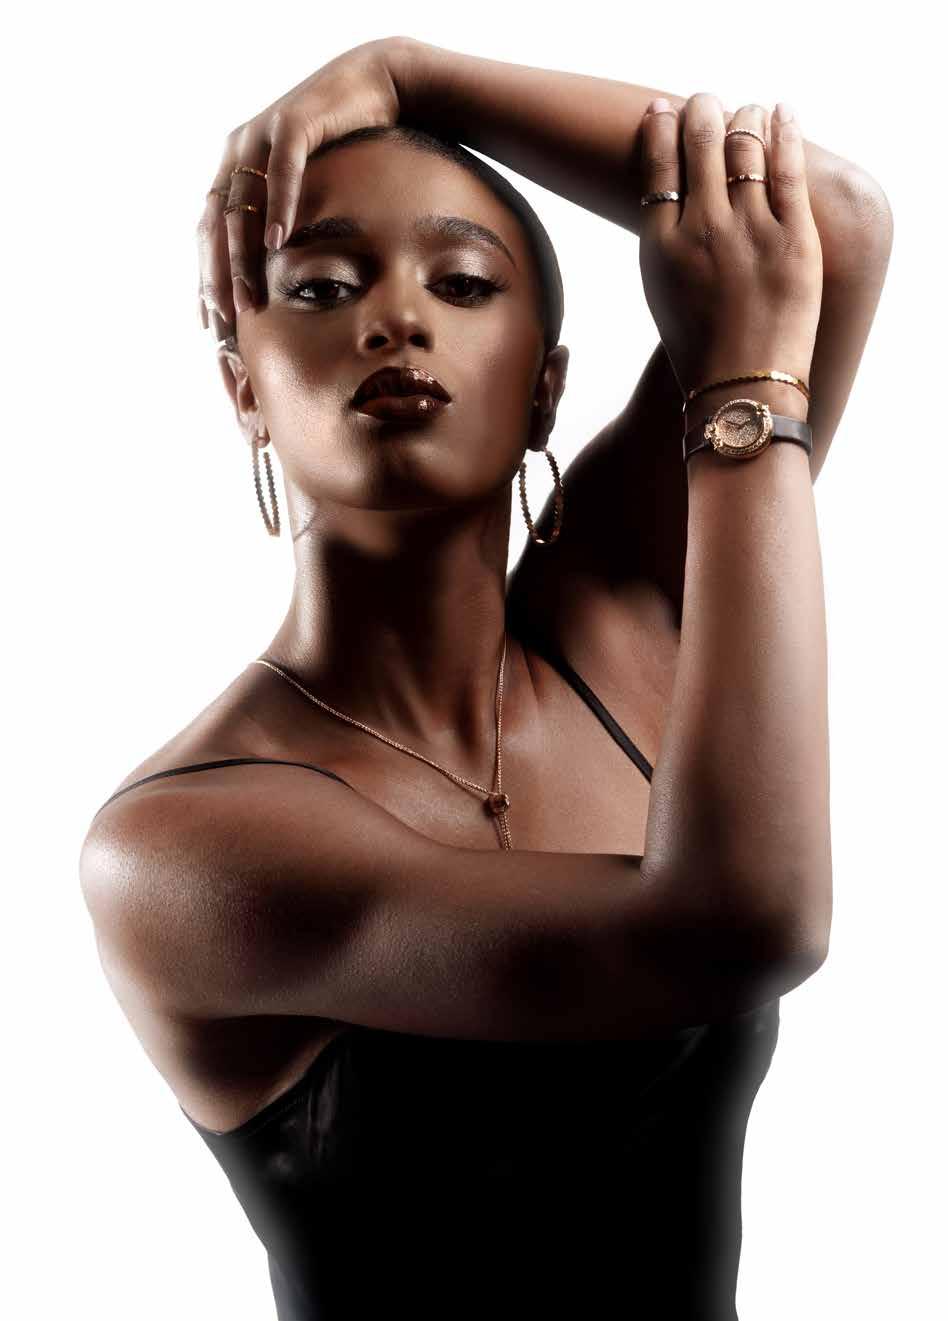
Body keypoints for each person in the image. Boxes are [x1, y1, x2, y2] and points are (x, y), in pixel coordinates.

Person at [79, 38, 892, 1321]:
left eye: (461, 282)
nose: (396, 318)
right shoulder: (181, 846)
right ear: (245, 390)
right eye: (324, 284)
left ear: (544, 390)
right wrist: (744, 395)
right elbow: (744, 924)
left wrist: (415, 77)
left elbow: (826, 222)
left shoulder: (616, 623)